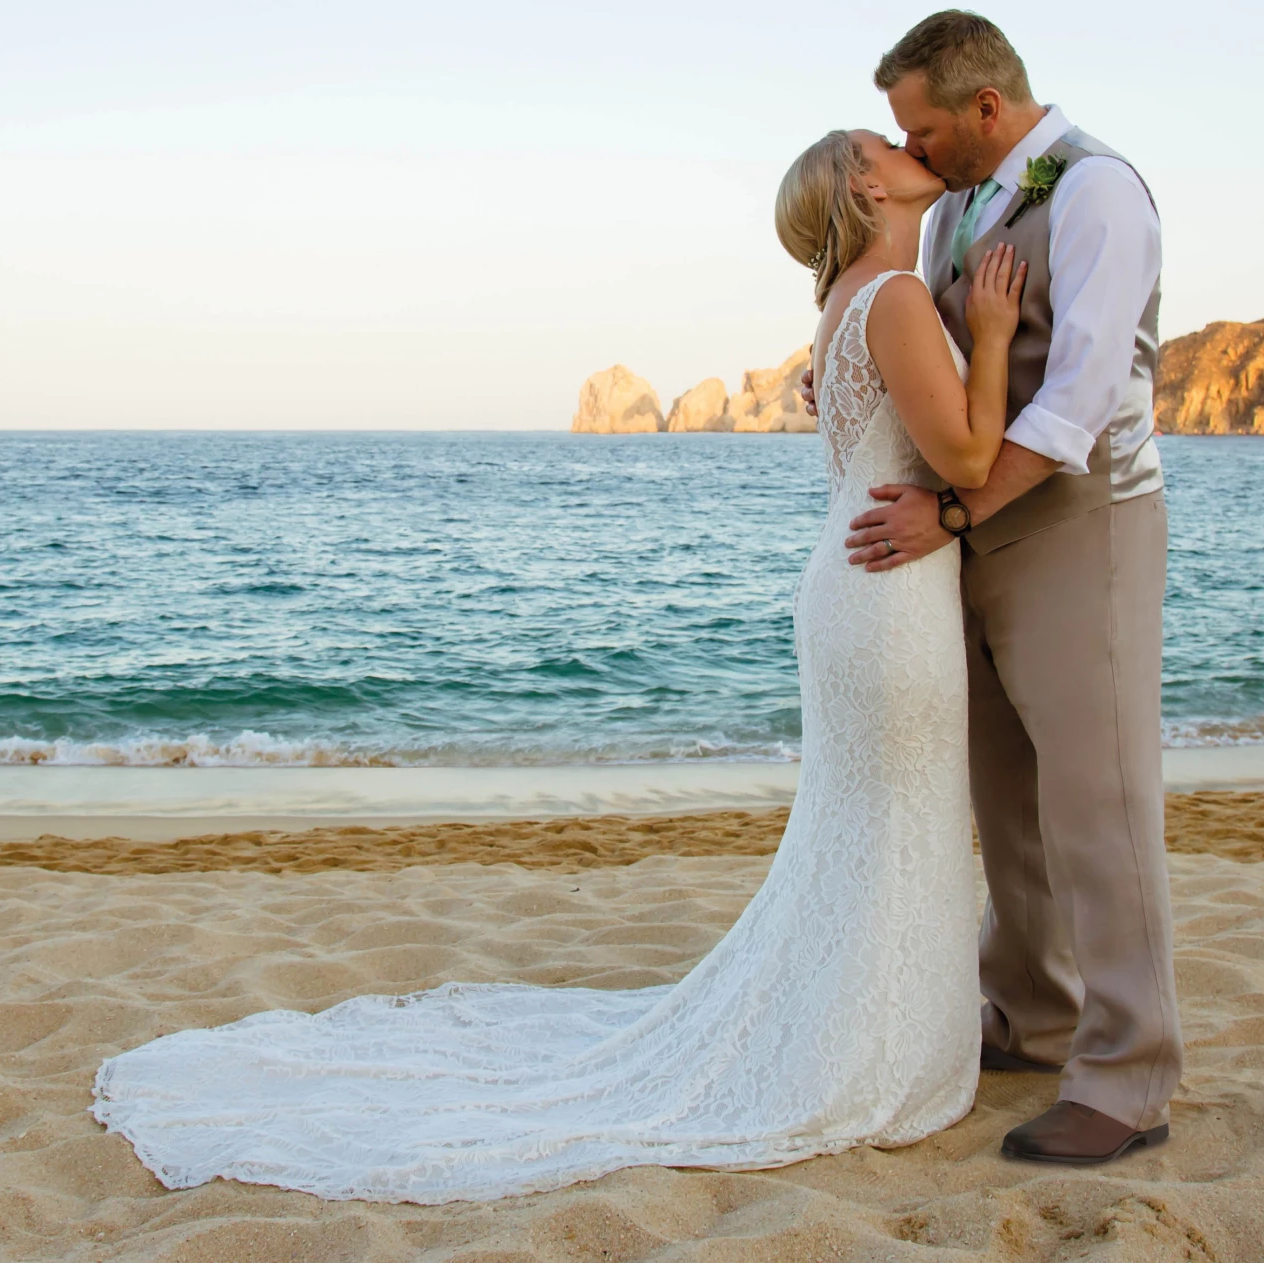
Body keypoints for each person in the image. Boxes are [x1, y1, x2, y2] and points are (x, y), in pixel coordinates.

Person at [91, 127, 1024, 1202]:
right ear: (864, 186)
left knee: (872, 819)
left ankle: (876, 1027)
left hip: (859, 585)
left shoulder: (850, 305)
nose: (906, 145)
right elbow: (963, 458)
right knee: (893, 813)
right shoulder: (893, 301)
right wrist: (993, 333)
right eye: (880, 143)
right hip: (887, 594)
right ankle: (878, 1045)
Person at [834, 8, 1182, 1165]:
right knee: (1010, 807)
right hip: (970, 537)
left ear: (986, 108)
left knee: (1101, 804)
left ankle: (1128, 1078)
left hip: (1082, 527)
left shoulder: (1096, 191)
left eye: (925, 131)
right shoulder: (964, 213)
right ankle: (1032, 1018)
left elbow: (1081, 395)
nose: (917, 153)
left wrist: (951, 510)